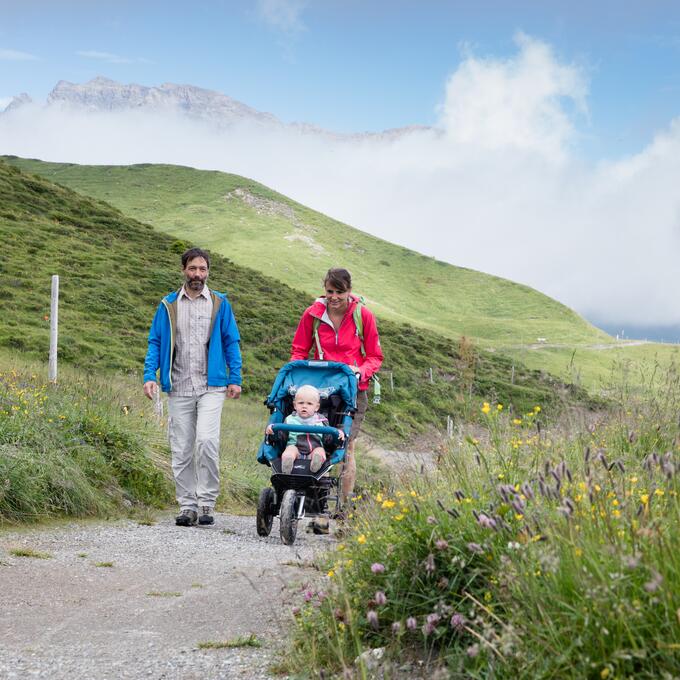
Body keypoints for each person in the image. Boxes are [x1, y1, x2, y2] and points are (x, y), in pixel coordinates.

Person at [143, 247, 242, 527]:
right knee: (182, 447)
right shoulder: (169, 304)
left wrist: (235, 378)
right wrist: (150, 374)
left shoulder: (220, 303)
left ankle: (207, 502)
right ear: (183, 270)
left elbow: (231, 341)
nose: (197, 274)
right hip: (179, 385)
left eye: (202, 269)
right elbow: (156, 341)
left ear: (208, 271)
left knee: (207, 442)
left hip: (212, 386)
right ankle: (187, 505)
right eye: (192, 269)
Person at [290, 268, 383, 504]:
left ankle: (343, 506)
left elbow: (375, 356)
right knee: (317, 439)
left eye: (339, 292)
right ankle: (316, 499)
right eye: (330, 291)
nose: (334, 297)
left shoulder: (363, 316)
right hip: (320, 390)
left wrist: (360, 371)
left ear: (349, 291)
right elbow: (299, 349)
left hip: (352, 389)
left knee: (345, 445)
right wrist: (297, 374)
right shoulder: (312, 314)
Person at [266, 384, 345, 474]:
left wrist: (337, 433)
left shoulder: (321, 420)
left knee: (320, 451)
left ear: (316, 407)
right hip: (295, 448)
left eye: (309, 403)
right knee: (289, 450)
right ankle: (287, 465)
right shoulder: (290, 419)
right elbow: (282, 437)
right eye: (301, 403)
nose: (304, 406)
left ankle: (316, 464)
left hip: (315, 449)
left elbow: (328, 439)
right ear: (295, 405)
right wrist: (273, 431)